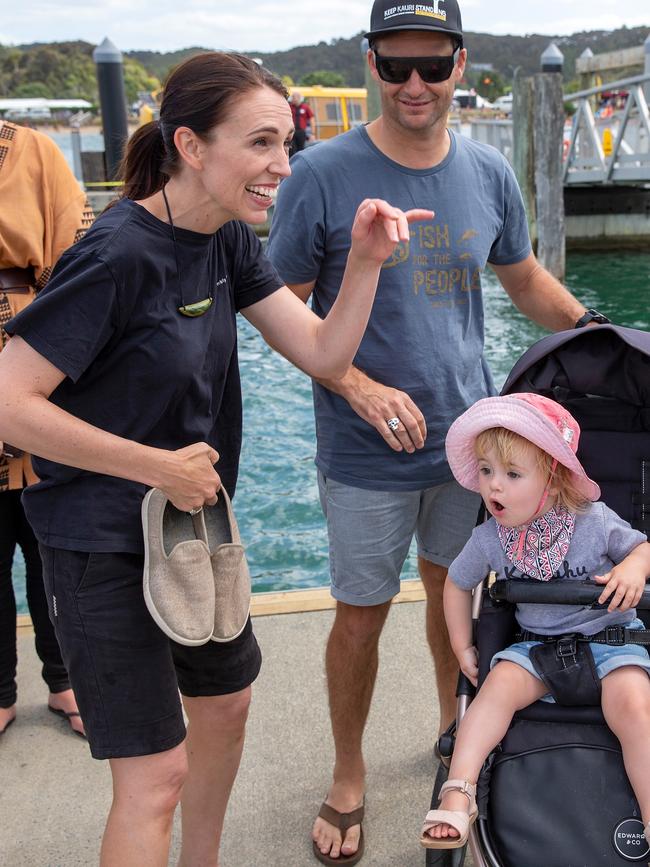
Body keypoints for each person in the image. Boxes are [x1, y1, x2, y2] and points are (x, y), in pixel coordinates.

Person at [0, 52, 430, 867]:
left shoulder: (227, 240)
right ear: (191, 146)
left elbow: (322, 350)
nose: (282, 164)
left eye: (288, 141)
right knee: (154, 775)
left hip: (196, 528)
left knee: (227, 708)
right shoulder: (117, 254)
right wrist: (155, 464)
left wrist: (366, 264)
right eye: (261, 143)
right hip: (99, 541)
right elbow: (9, 399)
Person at [266, 0, 599, 861]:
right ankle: (348, 773)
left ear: (460, 63)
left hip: (473, 447)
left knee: (458, 597)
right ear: (370, 63)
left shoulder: (489, 171)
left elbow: (524, 279)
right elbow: (276, 311)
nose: (414, 83)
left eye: (432, 64)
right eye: (394, 64)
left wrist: (602, 338)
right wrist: (357, 382)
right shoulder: (321, 175)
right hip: (362, 451)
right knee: (359, 616)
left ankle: (453, 731)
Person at [421, 393, 650, 849]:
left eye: (511, 474)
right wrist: (462, 645)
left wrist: (632, 568)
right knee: (493, 693)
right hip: (537, 647)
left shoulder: (595, 521)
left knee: (634, 708)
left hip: (610, 641)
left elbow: (643, 548)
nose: (493, 488)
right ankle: (458, 791)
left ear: (551, 475)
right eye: (485, 471)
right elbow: (456, 584)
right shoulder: (490, 538)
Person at [0, 118, 93, 737]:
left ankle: (66, 680)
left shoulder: (31, 149)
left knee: (51, 548)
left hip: (37, 359)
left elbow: (79, 263)